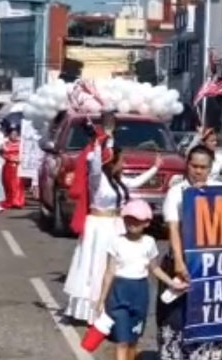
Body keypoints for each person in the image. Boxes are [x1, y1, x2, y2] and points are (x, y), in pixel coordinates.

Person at [63, 122, 162, 323]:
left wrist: (154, 168)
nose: (123, 164)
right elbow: (95, 165)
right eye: (121, 161)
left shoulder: (118, 181)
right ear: (111, 161)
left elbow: (135, 183)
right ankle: (92, 311)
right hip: (98, 228)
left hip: (115, 225)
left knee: (114, 266)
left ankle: (110, 305)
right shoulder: (97, 180)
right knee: (97, 267)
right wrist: (99, 142)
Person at [157, 145, 222, 360]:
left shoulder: (220, 190)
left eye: (203, 167)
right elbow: (173, 228)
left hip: (211, 268)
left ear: (211, 168)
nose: (198, 171)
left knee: (207, 320)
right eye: (194, 166)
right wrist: (178, 261)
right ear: (187, 165)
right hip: (181, 264)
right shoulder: (176, 192)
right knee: (174, 321)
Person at [97, 199, 187, 360]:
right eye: (128, 219)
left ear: (146, 223)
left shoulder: (149, 242)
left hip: (139, 293)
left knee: (133, 340)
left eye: (137, 220)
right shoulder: (116, 241)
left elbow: (154, 268)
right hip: (119, 293)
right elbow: (109, 271)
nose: (132, 223)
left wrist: (172, 283)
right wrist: (101, 299)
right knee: (121, 340)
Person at [2, 123, 25, 209]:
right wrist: (12, 158)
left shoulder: (21, 144)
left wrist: (20, 159)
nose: (14, 136)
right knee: (9, 185)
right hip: (9, 166)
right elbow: (4, 154)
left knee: (18, 185)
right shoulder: (6, 144)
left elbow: (24, 154)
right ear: (9, 135)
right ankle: (10, 201)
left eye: (16, 134)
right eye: (12, 134)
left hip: (18, 167)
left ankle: (18, 202)